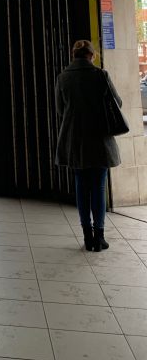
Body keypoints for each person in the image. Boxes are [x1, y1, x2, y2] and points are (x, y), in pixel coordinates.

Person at [55, 39, 122, 252]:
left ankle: (87, 236)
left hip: (74, 139)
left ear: (73, 55)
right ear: (92, 55)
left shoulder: (63, 77)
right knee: (99, 186)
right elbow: (117, 103)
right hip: (99, 138)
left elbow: (59, 109)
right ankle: (100, 236)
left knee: (81, 187)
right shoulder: (100, 75)